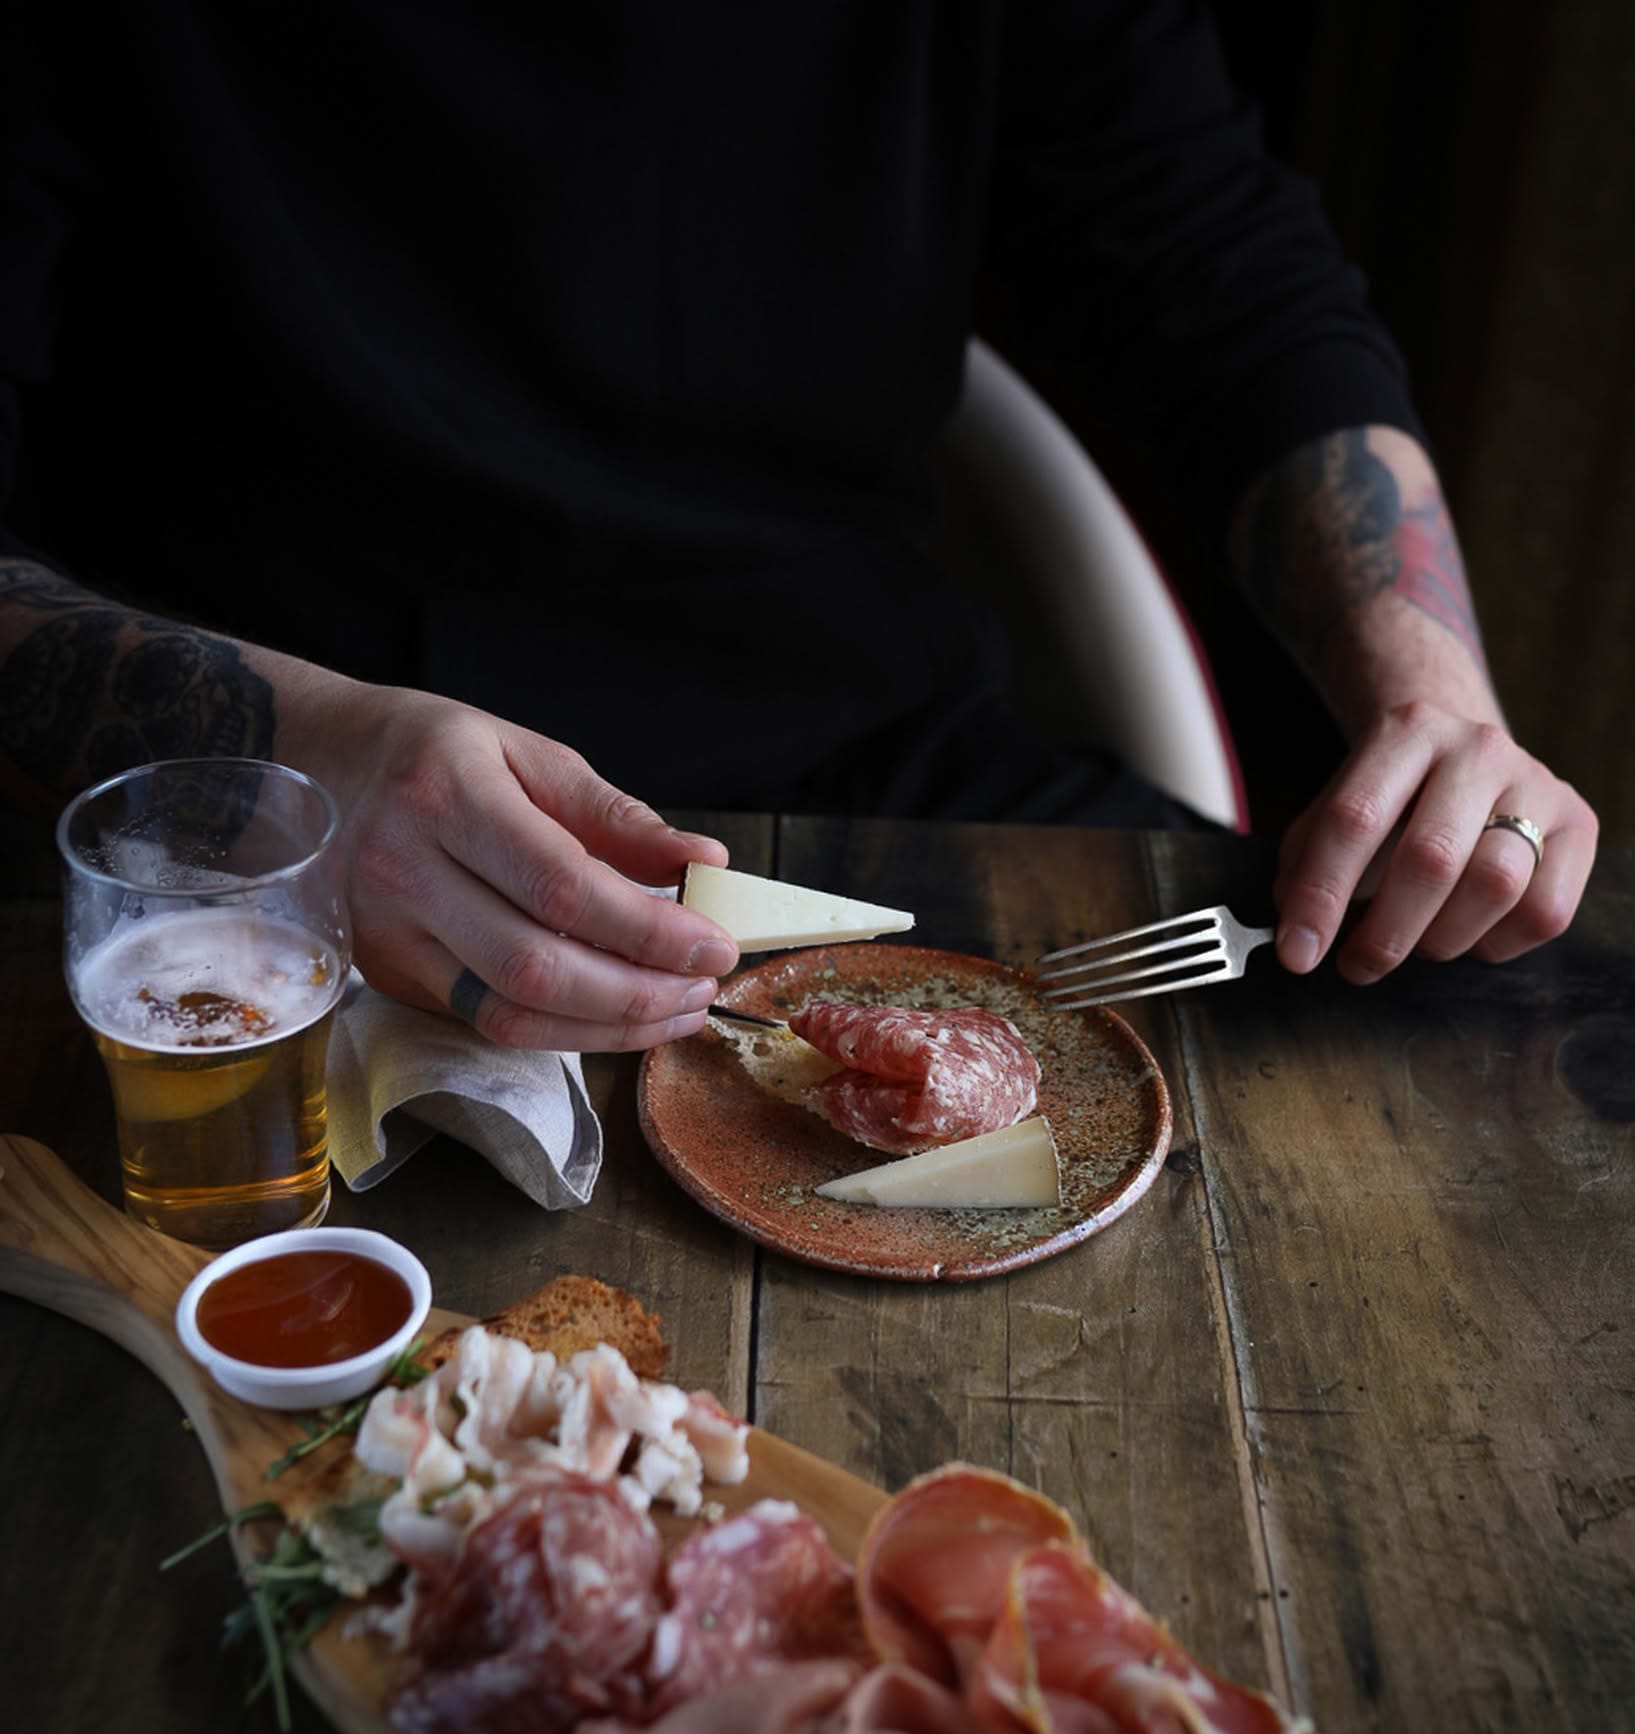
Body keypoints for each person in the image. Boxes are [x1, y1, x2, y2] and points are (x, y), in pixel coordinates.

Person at [0, 3, 1596, 1052]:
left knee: (1486, 1042)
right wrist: (305, 758)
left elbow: (1221, 274)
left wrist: (1432, 688)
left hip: (870, 763)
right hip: (247, 852)